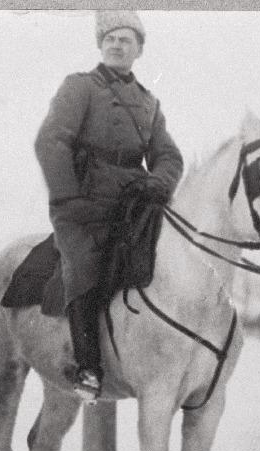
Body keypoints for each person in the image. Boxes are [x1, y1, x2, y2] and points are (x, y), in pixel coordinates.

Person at [34, 11, 184, 401]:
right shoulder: (80, 87)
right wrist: (68, 197)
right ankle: (88, 369)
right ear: (101, 45)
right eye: (111, 39)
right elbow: (51, 141)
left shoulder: (150, 104)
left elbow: (169, 157)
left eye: (126, 40)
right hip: (82, 201)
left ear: (138, 50)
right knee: (83, 267)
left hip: (132, 202)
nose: (117, 45)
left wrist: (158, 182)